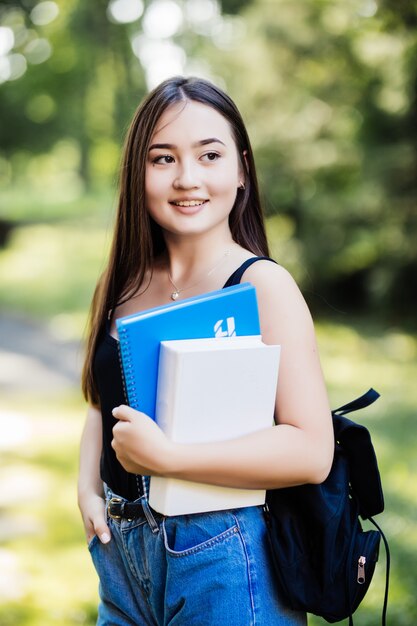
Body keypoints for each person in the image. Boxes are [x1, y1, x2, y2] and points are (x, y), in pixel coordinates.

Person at [78, 75, 334, 626]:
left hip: (222, 550)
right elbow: (103, 403)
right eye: (163, 158)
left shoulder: (262, 286)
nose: (187, 178)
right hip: (121, 558)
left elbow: (312, 451)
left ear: (241, 169)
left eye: (209, 155)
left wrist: (170, 459)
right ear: (137, 173)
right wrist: (88, 491)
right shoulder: (122, 284)